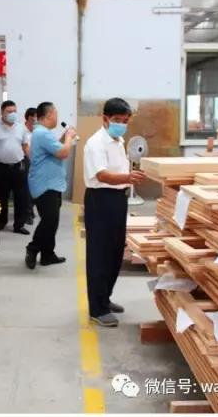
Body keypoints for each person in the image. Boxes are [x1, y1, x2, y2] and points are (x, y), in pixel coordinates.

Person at [83, 98, 146, 328]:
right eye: (118, 120)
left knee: (115, 252)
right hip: (101, 200)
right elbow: (102, 175)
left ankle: (105, 298)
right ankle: (97, 309)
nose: (122, 124)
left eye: (126, 121)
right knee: (99, 255)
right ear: (105, 118)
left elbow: (118, 170)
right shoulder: (96, 143)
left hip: (118, 199)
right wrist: (128, 177)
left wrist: (130, 176)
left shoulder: (119, 140)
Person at [25, 102, 77, 269]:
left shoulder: (43, 133)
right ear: (48, 115)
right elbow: (63, 152)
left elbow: (55, 148)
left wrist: (63, 138)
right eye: (56, 113)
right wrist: (69, 137)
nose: (57, 117)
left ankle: (48, 254)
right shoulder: (42, 133)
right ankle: (33, 248)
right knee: (49, 220)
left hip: (52, 184)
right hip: (45, 184)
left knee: (52, 221)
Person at [0, 100, 30, 235]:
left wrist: (33, 161)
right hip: (0, 167)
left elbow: (25, 146)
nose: (12, 114)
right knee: (2, 197)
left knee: (21, 197)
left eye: (14, 111)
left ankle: (19, 225)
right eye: (9, 111)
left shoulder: (21, 127)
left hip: (18, 167)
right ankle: (2, 221)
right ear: (2, 112)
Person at [23, 107, 38, 225]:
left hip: (36, 160)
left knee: (34, 187)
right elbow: (25, 148)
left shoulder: (36, 130)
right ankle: (27, 214)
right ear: (29, 117)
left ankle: (31, 208)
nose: (37, 119)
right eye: (35, 117)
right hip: (25, 161)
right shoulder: (21, 130)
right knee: (26, 188)